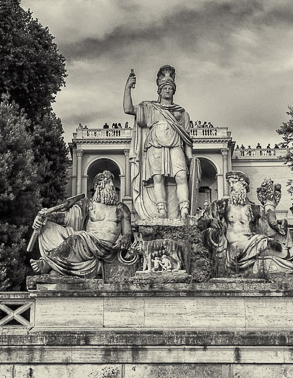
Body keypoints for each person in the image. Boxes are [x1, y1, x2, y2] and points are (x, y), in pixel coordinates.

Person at [124, 65, 198, 219]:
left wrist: (190, 158)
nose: (167, 90)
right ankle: (161, 210)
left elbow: (187, 138)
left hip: (176, 144)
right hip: (155, 144)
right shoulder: (150, 108)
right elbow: (128, 109)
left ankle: (184, 209)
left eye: (170, 87)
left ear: (174, 90)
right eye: (165, 87)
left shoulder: (182, 112)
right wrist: (128, 88)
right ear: (159, 90)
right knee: (158, 178)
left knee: (181, 176)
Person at [31, 171, 133, 277]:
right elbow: (66, 218)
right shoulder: (88, 205)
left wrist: (125, 238)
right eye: (108, 182)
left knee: (77, 237)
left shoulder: (121, 208)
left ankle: (47, 263)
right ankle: (57, 268)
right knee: (49, 227)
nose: (112, 186)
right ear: (98, 186)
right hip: (87, 244)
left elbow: (128, 233)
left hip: (107, 249)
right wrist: (46, 217)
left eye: (111, 183)